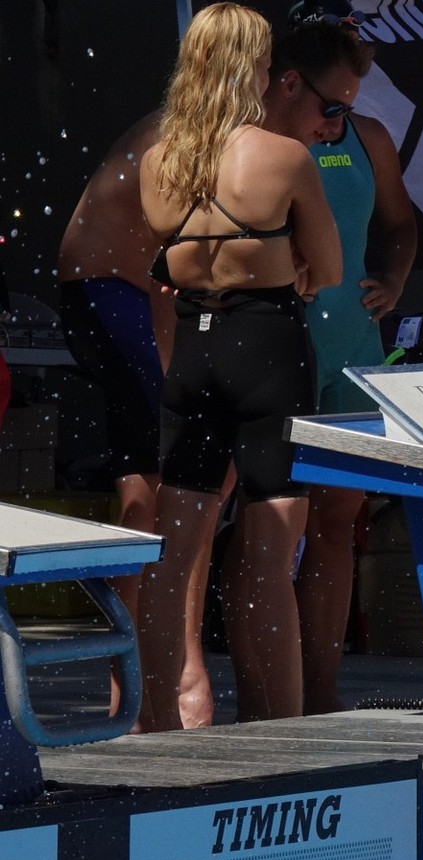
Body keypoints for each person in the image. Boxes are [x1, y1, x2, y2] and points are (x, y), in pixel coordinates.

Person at [136, 2, 342, 730]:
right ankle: (282, 731)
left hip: (195, 353)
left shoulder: (158, 163)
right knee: (269, 560)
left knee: (173, 556)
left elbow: (167, 266)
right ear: (252, 68)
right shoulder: (283, 158)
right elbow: (332, 268)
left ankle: (159, 722)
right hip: (268, 351)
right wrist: (287, 265)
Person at [266, 4, 417, 714]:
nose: (336, 120)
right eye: (330, 106)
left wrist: (393, 282)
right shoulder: (256, 141)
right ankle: (270, 699)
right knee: (270, 524)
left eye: (345, 109)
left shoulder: (369, 138)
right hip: (278, 347)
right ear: (291, 81)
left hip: (353, 350)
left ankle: (321, 694)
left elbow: (401, 224)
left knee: (335, 525)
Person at [56, 113, 195, 720]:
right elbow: (176, 267)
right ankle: (155, 685)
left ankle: (138, 687)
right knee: (167, 488)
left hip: (114, 291)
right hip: (112, 290)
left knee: (154, 489)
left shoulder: (190, 126)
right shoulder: (193, 132)